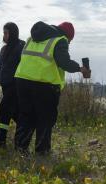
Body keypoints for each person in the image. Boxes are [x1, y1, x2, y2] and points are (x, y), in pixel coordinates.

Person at [14, 21, 91, 155]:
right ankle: (42, 152)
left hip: (22, 81)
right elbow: (64, 62)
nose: (69, 43)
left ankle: (20, 148)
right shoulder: (60, 40)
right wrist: (80, 68)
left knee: (26, 116)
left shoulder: (31, 39)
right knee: (45, 118)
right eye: (70, 40)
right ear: (67, 36)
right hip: (44, 85)